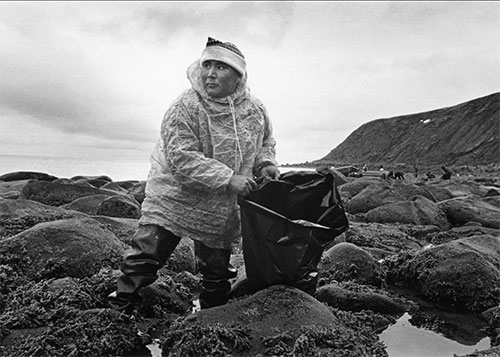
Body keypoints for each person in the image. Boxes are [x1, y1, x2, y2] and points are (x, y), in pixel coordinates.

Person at [108, 37, 280, 313]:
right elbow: (181, 157)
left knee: (216, 270)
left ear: (239, 76)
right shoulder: (185, 107)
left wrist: (265, 164)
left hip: (219, 206)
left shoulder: (255, 110)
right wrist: (227, 178)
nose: (210, 73)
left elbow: (264, 143)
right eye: (206, 65)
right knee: (147, 252)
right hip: (174, 197)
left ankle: (212, 316)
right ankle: (121, 306)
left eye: (220, 67)